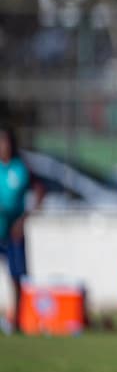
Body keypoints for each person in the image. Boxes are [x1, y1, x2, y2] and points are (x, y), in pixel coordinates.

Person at [0, 125, 42, 334]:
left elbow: (39, 191)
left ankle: (16, 320)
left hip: (14, 232)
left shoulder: (20, 168)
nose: (3, 146)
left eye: (5, 142)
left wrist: (24, 218)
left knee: (17, 277)